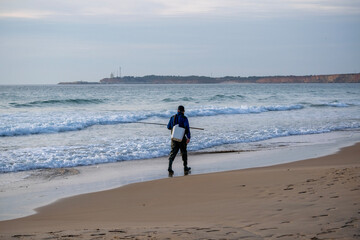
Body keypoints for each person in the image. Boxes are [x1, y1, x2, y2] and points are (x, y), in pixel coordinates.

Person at [167, 105, 191, 175]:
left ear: (177, 110)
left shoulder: (172, 118)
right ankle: (185, 167)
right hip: (182, 139)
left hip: (174, 138)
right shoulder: (184, 118)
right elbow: (187, 129)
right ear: (183, 111)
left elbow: (168, 127)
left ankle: (170, 167)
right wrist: (188, 137)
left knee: (173, 152)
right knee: (184, 152)